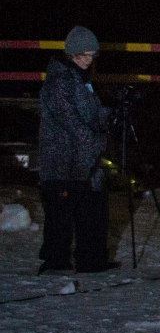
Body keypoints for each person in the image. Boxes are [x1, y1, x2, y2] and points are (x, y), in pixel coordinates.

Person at [36, 26, 113, 274]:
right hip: (62, 160)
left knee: (92, 210)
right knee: (60, 214)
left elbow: (91, 114)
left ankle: (91, 259)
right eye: (83, 55)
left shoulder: (82, 81)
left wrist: (111, 113)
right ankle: (56, 261)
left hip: (83, 160)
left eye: (91, 55)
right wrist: (96, 140)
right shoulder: (59, 81)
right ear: (71, 54)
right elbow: (70, 120)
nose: (87, 60)